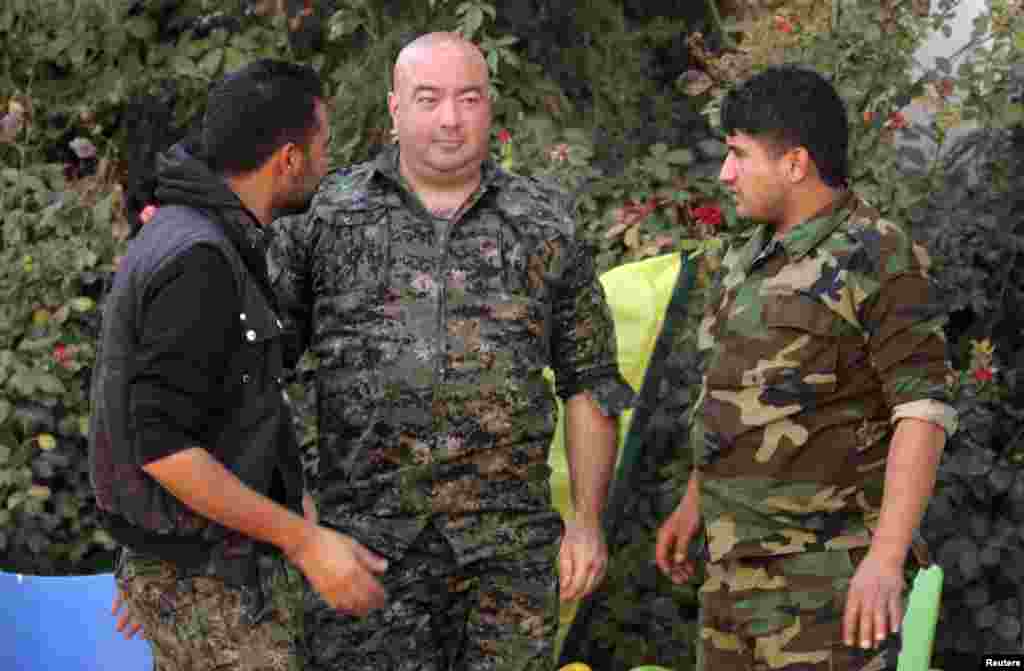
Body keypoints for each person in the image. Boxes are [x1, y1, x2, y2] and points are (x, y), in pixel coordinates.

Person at [268, 32, 634, 671]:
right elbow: (260, 371)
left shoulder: (543, 220)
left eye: (469, 98)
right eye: (429, 98)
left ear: (490, 106)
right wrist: (298, 524)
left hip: (506, 555)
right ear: (394, 108)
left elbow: (589, 380)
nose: (450, 119)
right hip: (365, 550)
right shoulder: (325, 213)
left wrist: (585, 521)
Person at [654, 65, 958, 671]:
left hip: (828, 590)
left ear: (795, 164)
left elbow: (923, 412)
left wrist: (886, 560)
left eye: (739, 155)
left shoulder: (878, 255)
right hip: (731, 581)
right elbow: (738, 396)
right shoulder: (750, 256)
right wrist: (695, 500)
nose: (725, 173)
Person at [89, 59, 388, 671]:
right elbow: (164, 447)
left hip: (203, 572)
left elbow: (225, 403)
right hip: (206, 582)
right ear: (287, 160)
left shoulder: (207, 235)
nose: (327, 164)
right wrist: (302, 543)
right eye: (323, 148)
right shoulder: (197, 258)